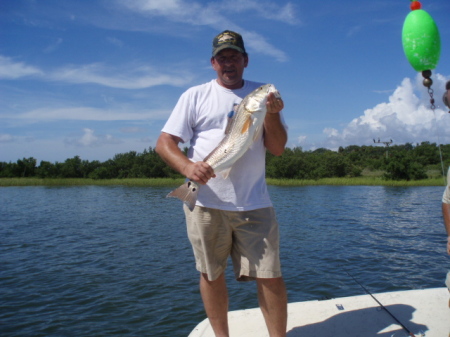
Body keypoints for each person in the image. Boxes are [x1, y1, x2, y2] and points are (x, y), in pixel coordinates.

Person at [155, 30, 288, 337]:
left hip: (254, 203)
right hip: (205, 203)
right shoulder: (194, 95)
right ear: (213, 63)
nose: (229, 63)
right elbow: (164, 143)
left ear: (246, 60)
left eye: (235, 57)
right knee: (211, 275)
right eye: (223, 57)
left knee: (270, 276)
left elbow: (278, 148)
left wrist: (271, 114)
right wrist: (188, 167)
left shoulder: (263, 97)